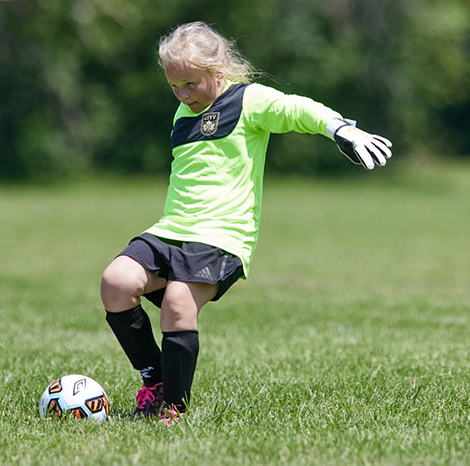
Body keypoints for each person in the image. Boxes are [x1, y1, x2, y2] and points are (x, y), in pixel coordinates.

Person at [101, 21, 392, 422]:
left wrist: (338, 127)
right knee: (115, 282)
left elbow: (295, 109)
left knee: (178, 303)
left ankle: (173, 408)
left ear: (217, 74)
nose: (182, 95)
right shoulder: (183, 113)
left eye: (190, 84)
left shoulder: (247, 100)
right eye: (174, 87)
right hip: (172, 228)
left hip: (221, 235)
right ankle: (155, 383)